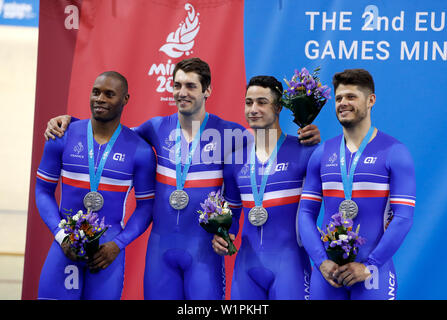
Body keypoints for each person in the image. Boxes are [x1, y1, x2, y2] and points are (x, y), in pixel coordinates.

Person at [44, 58, 320, 299]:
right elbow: (112, 134)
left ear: (207, 90)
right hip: (160, 249)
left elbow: (271, 143)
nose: (181, 92)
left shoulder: (231, 134)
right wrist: (70, 122)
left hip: (203, 252)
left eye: (190, 86)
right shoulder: (154, 128)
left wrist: (310, 139)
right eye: (177, 85)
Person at [36, 71, 156, 300]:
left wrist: (117, 245)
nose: (100, 98)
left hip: (107, 253)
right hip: (65, 246)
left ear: (125, 99)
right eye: (96, 92)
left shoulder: (140, 150)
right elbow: (43, 191)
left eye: (109, 94)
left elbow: (146, 207)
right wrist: (61, 235)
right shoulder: (61, 135)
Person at [298, 69, 416, 300]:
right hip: (328, 274)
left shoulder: (395, 152)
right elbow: (305, 213)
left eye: (351, 96)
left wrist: (369, 265)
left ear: (371, 100)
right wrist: (321, 262)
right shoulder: (322, 153)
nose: (343, 103)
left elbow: (403, 217)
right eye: (339, 98)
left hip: (373, 274)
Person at [212, 76, 319, 299]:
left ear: (279, 107)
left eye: (262, 102)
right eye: (248, 102)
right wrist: (224, 236)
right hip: (246, 268)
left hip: (290, 266)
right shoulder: (234, 159)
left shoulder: (305, 151)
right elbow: (232, 213)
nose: (253, 109)